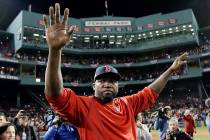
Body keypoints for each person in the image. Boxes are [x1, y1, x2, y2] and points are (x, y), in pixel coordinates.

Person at [43, 3, 188, 140]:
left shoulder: (127, 104)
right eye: (102, 80)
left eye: (112, 81)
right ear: (94, 85)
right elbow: (55, 94)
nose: (107, 84)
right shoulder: (83, 106)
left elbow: (150, 92)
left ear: (118, 86)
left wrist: (170, 70)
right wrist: (55, 50)